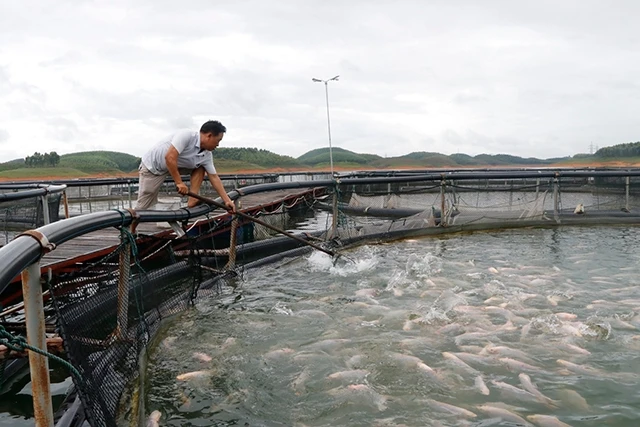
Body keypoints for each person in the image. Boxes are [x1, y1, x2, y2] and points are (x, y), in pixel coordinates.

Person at [135, 120, 236, 212]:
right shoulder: (186, 135)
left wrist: (227, 200)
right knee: (143, 205)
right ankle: (132, 230)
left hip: (175, 166)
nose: (218, 145)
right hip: (153, 167)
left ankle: (193, 199)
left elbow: (214, 177)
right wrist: (179, 183)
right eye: (218, 140)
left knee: (201, 167)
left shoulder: (207, 155)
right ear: (209, 136)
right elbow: (169, 157)